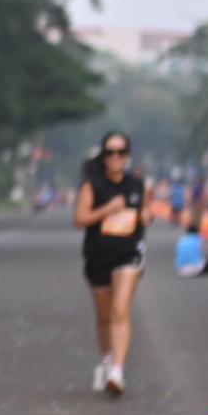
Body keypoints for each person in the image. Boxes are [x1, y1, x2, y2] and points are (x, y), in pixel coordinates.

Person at [74, 131, 146, 399]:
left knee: (120, 310)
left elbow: (145, 210)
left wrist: (147, 214)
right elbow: (79, 219)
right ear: (104, 156)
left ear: (127, 155)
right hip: (98, 256)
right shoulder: (92, 185)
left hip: (129, 254)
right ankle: (107, 361)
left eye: (120, 152)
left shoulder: (136, 185)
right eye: (110, 152)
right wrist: (108, 209)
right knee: (104, 317)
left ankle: (118, 371)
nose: (115, 157)